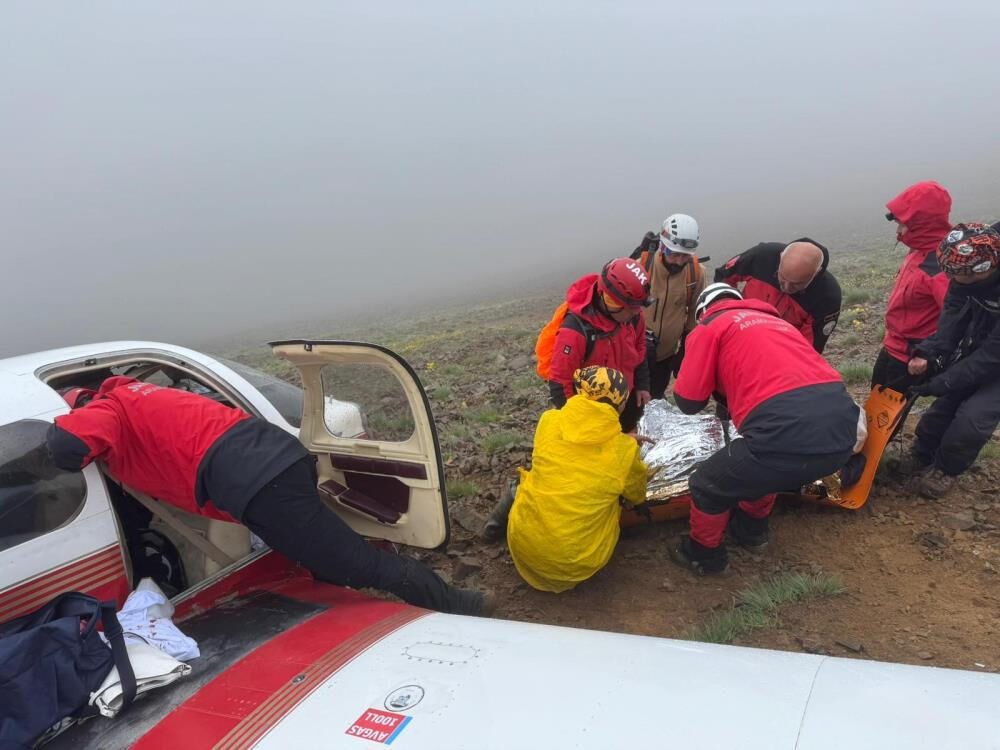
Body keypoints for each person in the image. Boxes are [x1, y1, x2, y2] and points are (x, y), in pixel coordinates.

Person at [47, 377, 490, 615]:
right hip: (272, 456)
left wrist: (59, 435)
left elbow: (68, 449)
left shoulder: (107, 409)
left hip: (256, 480)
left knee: (353, 562)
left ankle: (460, 605)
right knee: (321, 553)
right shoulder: (140, 395)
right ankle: (344, 615)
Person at [668, 283, 860, 574]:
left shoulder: (710, 326)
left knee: (708, 484)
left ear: (703, 312)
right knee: (762, 469)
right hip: (843, 432)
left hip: (784, 432)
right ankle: (751, 532)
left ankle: (705, 555)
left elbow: (688, 401)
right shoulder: (780, 324)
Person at [499, 366, 647, 592]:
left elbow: (580, 441)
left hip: (524, 549)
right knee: (614, 499)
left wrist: (620, 440)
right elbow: (636, 494)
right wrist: (626, 444)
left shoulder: (548, 421)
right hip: (575, 565)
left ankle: (494, 527)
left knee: (534, 479)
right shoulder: (624, 450)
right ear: (621, 404)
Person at [892, 223, 1000, 498]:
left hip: (994, 353)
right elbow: (951, 322)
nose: (951, 279)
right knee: (944, 407)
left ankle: (946, 469)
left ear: (983, 269)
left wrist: (941, 382)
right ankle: (923, 452)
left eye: (958, 275)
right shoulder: (963, 276)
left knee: (973, 418)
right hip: (984, 338)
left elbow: (991, 358)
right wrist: (929, 354)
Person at [547, 258, 652, 432]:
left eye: (638, 306)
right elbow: (560, 384)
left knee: (626, 448)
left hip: (626, 400)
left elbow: (639, 348)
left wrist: (643, 385)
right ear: (612, 301)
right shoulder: (575, 331)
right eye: (632, 307)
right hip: (591, 413)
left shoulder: (632, 315)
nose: (637, 312)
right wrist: (579, 424)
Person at [872, 181, 952, 391]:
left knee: (884, 418)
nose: (898, 230)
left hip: (912, 357)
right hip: (893, 346)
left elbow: (956, 318)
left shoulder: (940, 266)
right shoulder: (917, 251)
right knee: (876, 407)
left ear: (921, 222)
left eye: (902, 224)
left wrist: (927, 353)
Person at [714, 239, 841, 353]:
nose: (786, 287)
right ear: (780, 258)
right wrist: (729, 315)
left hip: (780, 348)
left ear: (815, 274)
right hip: (738, 328)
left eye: (796, 284)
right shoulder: (762, 256)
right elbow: (723, 276)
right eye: (782, 277)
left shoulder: (827, 296)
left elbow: (808, 349)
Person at [629, 214, 707, 399]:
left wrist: (685, 351)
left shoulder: (696, 274)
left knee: (655, 398)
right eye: (674, 254)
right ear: (663, 246)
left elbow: (695, 316)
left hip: (665, 356)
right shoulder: (642, 267)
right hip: (634, 353)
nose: (679, 261)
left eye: (685, 256)